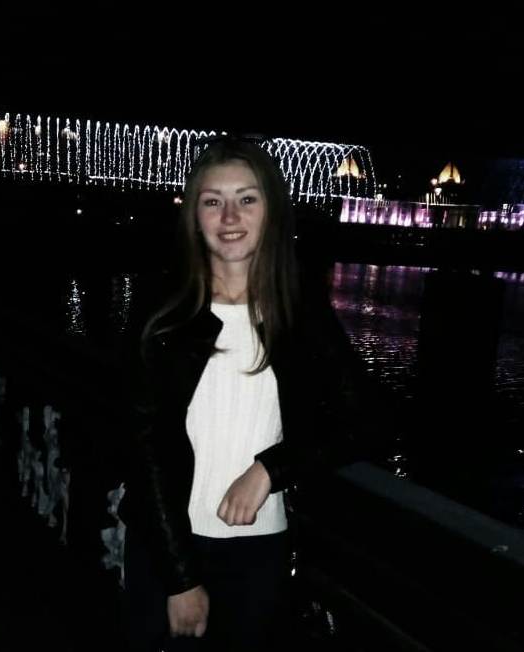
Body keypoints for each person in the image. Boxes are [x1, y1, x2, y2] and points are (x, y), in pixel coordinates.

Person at [118, 136, 371, 651]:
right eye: (213, 201)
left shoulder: (299, 312)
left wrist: (271, 470)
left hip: (260, 550)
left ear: (270, 211)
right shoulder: (163, 312)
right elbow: (141, 444)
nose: (230, 216)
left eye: (247, 199)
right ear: (194, 216)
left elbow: (363, 419)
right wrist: (180, 579)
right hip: (167, 547)